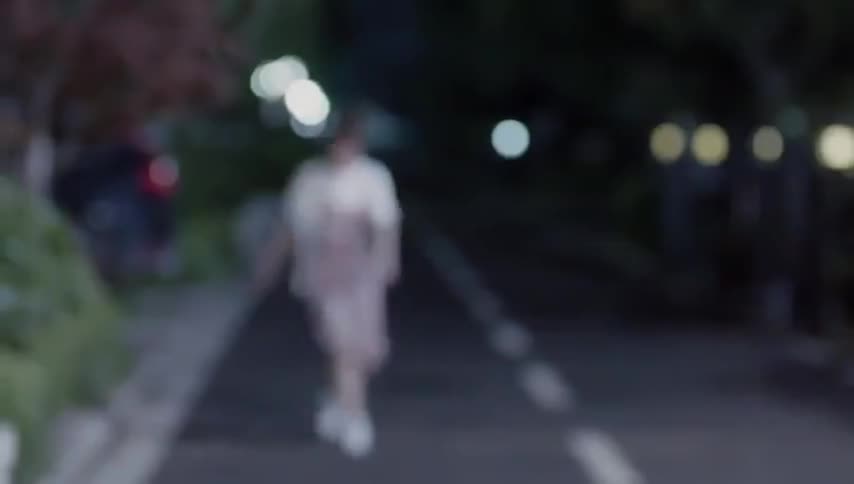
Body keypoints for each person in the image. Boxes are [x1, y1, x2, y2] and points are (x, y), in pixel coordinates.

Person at [255, 109, 402, 458]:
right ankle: (356, 415)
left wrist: (387, 259)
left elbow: (386, 224)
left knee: (363, 348)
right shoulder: (311, 178)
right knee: (341, 343)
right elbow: (291, 228)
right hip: (323, 274)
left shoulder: (373, 177)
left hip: (361, 275)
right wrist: (269, 264)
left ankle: (339, 399)